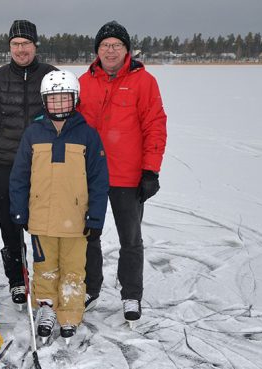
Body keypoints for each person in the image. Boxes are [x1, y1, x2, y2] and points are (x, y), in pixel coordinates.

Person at [76, 21, 167, 323]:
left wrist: (150, 170)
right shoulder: (84, 82)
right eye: (105, 45)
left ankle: (131, 293)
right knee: (89, 235)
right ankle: (90, 288)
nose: (110, 50)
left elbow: (155, 125)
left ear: (127, 49)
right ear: (97, 51)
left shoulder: (144, 81)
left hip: (128, 178)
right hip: (91, 175)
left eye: (116, 45)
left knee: (131, 239)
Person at [9, 70, 109, 343]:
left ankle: (70, 314)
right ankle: (47, 308)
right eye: (53, 99)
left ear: (75, 100)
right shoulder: (33, 134)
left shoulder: (88, 135)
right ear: (44, 102)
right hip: (41, 218)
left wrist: (96, 218)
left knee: (74, 269)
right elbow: (19, 176)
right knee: (45, 267)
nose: (59, 105)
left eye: (64, 99)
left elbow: (100, 181)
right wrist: (19, 210)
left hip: (76, 220)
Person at [0, 19, 57, 305]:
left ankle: (46, 277)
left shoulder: (51, 76)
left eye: (26, 44)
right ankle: (17, 280)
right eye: (15, 44)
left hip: (44, 166)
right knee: (10, 226)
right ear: (9, 47)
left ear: (35, 45)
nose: (21, 50)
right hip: (6, 165)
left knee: (44, 226)